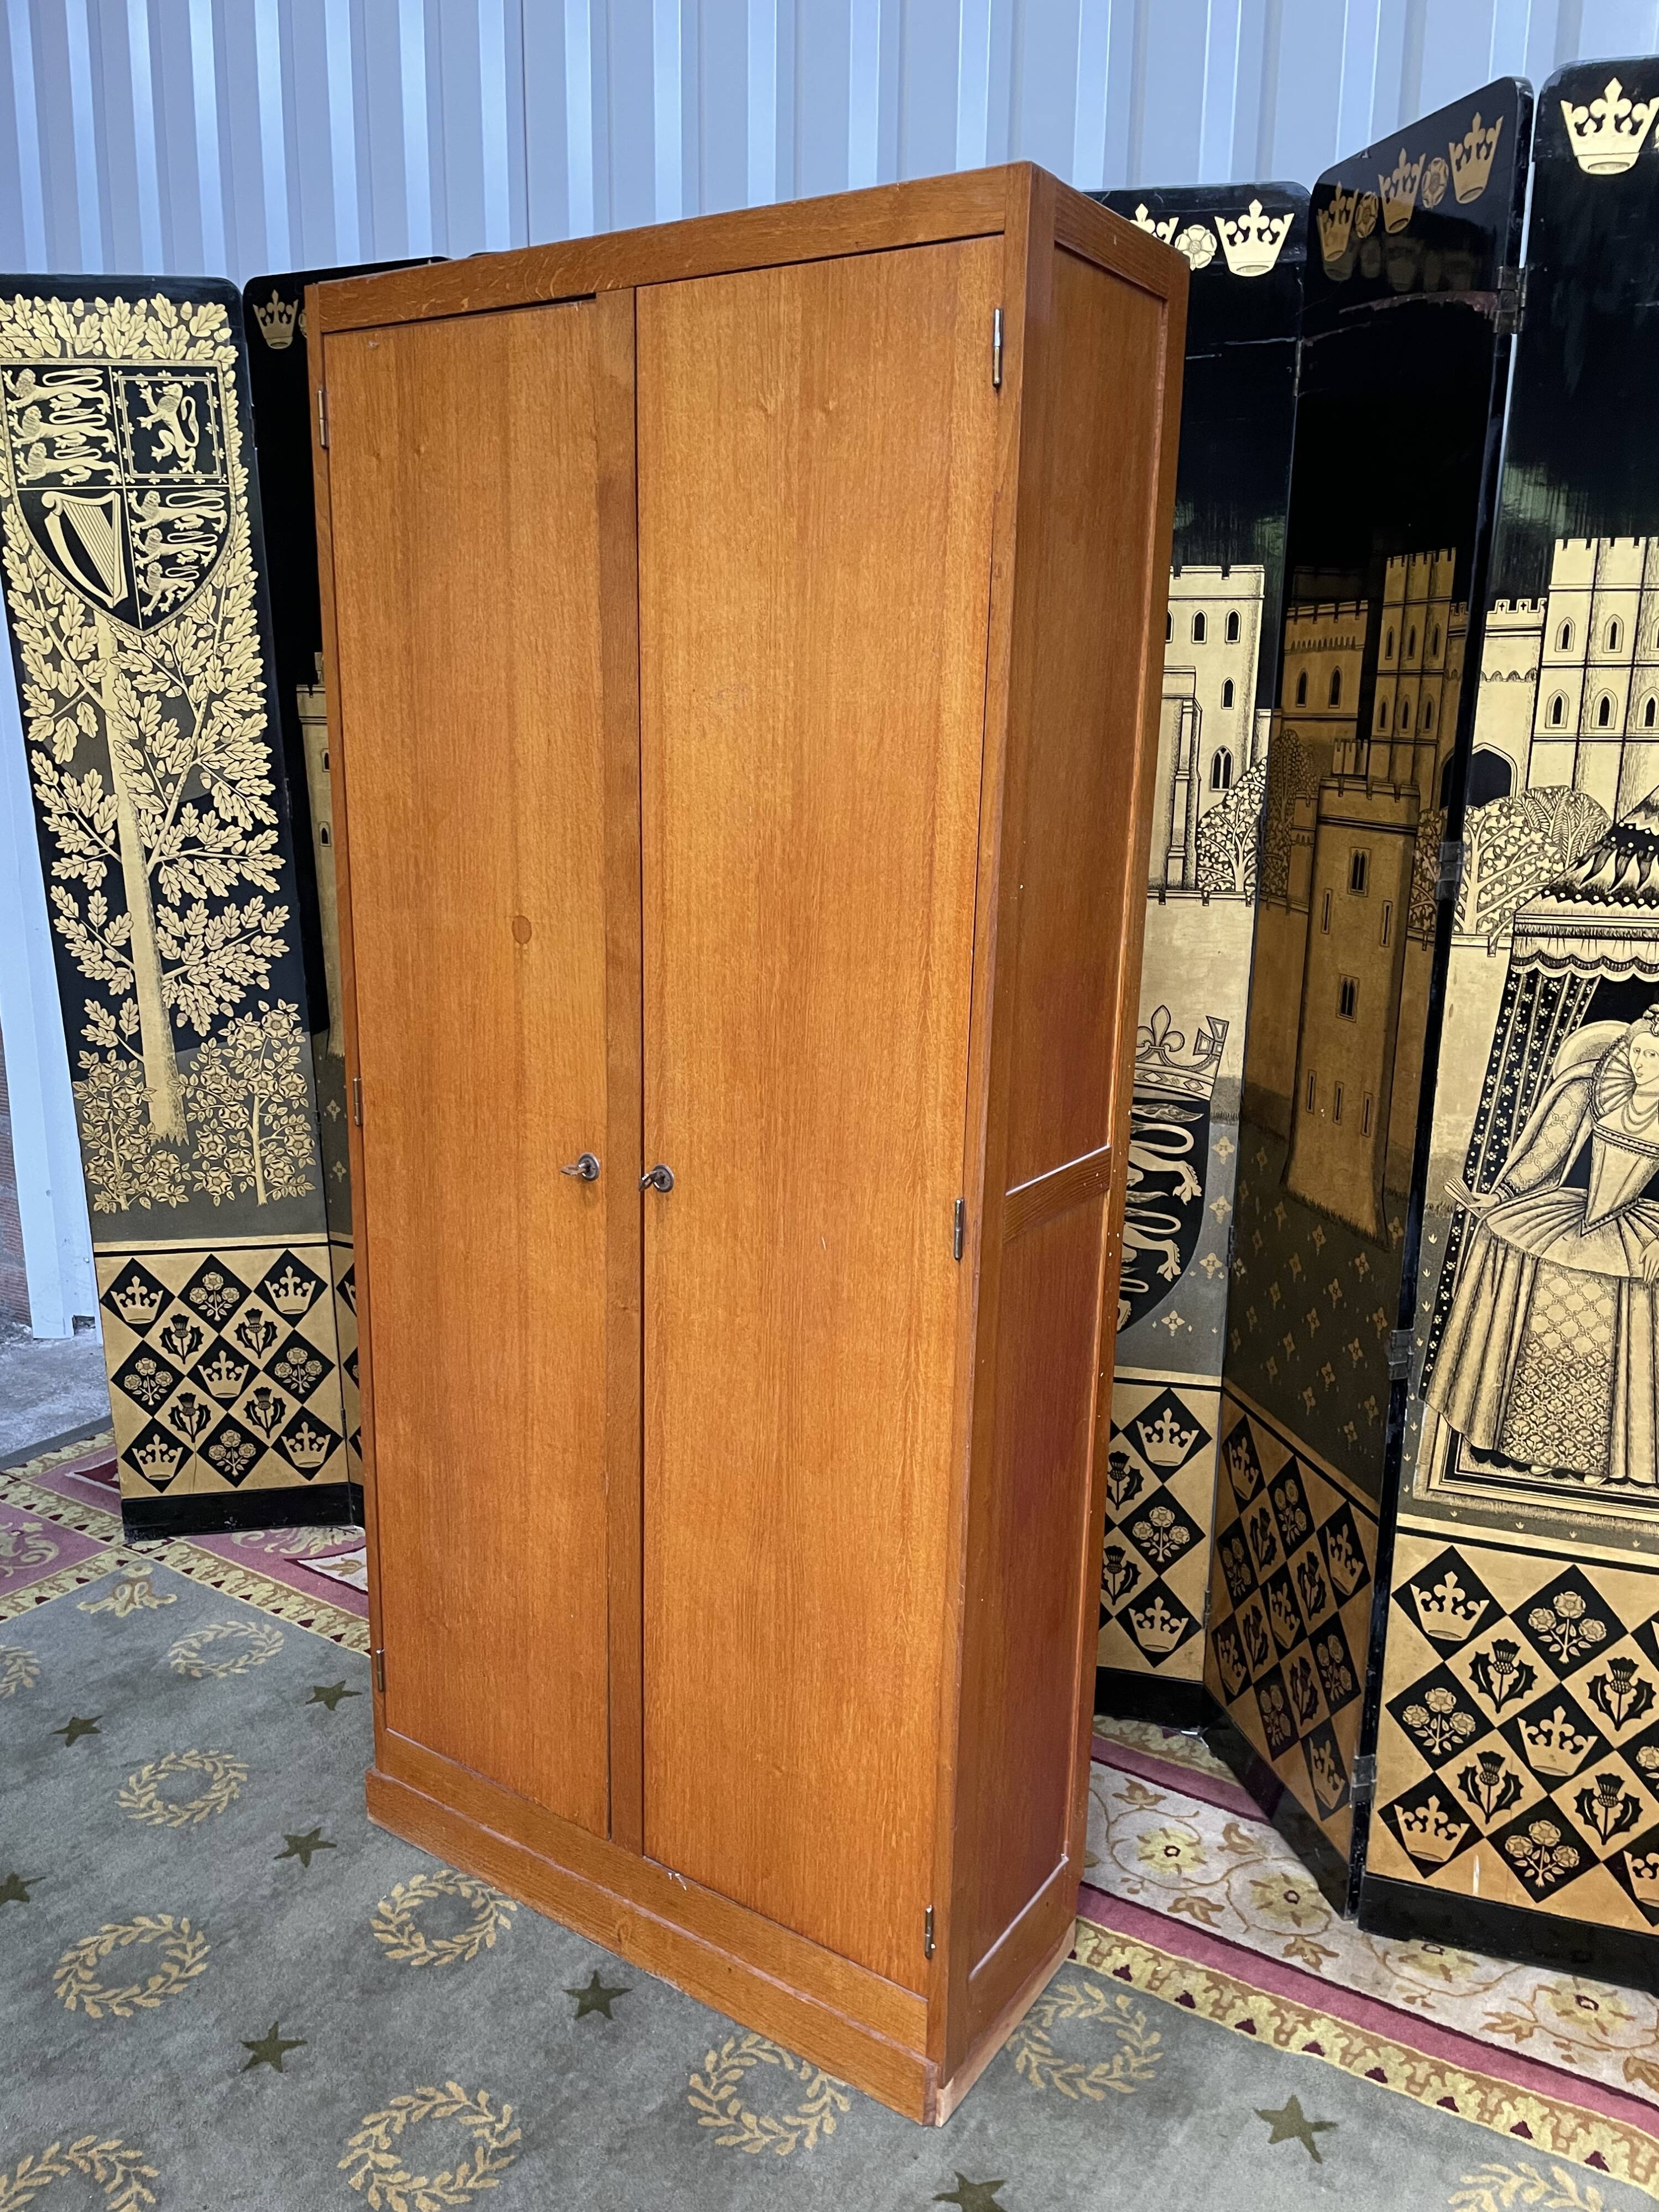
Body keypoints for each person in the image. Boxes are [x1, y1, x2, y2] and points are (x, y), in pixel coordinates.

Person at [1428, 1008, 1659, 1487]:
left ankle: (1603, 1461)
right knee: (1542, 1313)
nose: (1641, 1062)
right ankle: (1538, 1444)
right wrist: (1501, 1195)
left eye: (1653, 1055)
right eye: (1637, 1050)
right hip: (1572, 1220)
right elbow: (1546, 1152)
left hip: (1636, 1233)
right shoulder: (1599, 1094)